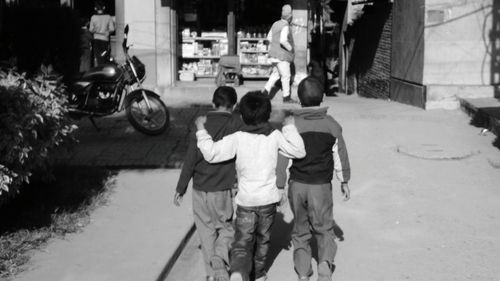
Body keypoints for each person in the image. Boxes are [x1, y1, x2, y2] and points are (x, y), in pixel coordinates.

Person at [194, 91, 306, 281]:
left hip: (246, 202)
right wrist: (289, 128)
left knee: (243, 242)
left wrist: (201, 131)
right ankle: (259, 274)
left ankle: (238, 271)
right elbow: (299, 151)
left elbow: (211, 153)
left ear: (242, 115)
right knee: (263, 241)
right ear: (268, 114)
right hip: (268, 201)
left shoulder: (237, 137)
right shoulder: (275, 135)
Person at [278, 76, 351, 281]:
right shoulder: (332, 125)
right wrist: (344, 180)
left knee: (300, 230)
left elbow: (283, 158)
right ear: (324, 97)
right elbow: (340, 155)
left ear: (298, 100)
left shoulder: (291, 126)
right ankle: (325, 265)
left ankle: (303, 273)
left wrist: (279, 186)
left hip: (297, 186)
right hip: (321, 187)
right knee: (324, 227)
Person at [174, 86, 243, 281]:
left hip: (199, 189)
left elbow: (190, 159)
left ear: (213, 104)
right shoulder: (236, 123)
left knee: (205, 232)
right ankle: (220, 258)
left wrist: (181, 187)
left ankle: (212, 274)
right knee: (227, 228)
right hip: (222, 190)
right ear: (234, 105)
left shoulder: (200, 125)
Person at [263, 4, 298, 104]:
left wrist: (273, 48)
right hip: (282, 56)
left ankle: (264, 93)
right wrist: (291, 49)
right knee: (286, 76)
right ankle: (286, 98)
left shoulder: (275, 23)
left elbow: (269, 38)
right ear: (290, 17)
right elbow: (283, 41)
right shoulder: (285, 26)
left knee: (275, 75)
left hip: (273, 56)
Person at [89, 0, 115, 65]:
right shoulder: (108, 17)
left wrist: (96, 31)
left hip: (96, 40)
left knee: (98, 58)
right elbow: (112, 29)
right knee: (105, 57)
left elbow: (91, 29)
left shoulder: (93, 17)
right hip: (105, 40)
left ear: (95, 8)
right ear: (104, 8)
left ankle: (100, 71)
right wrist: (107, 32)